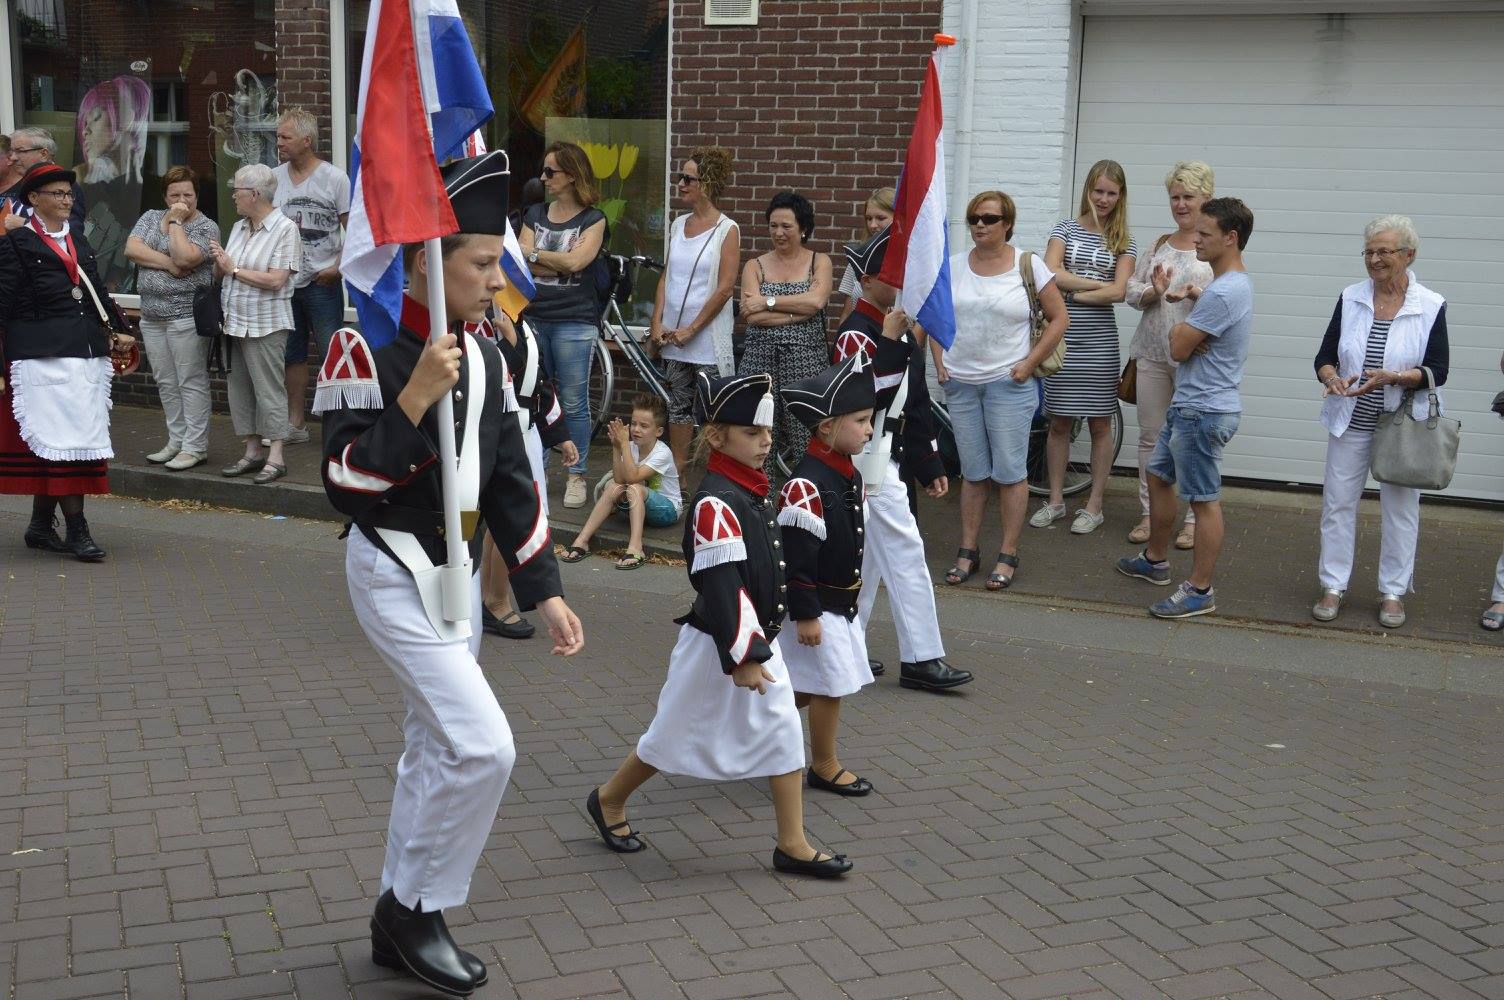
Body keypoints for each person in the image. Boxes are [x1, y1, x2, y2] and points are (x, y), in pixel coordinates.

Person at [316, 152, 583, 998]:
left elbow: (510, 479)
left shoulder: (490, 354)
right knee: (483, 746)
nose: (496, 278)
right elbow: (344, 483)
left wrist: (545, 589)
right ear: (433, 260)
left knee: (435, 746)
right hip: (394, 568)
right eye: (479, 263)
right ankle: (419, 909)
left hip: (460, 578)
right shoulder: (370, 345)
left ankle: (400, 913)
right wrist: (412, 399)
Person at [587, 371, 852, 880]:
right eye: (752, 432)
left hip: (748, 642)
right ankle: (609, 798)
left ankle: (791, 843)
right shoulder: (715, 501)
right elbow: (723, 585)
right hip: (719, 644)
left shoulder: (750, 489)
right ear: (716, 437)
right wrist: (747, 655)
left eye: (768, 433)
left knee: (780, 730)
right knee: (670, 734)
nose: (765, 442)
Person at [837, 227, 971, 693]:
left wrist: (929, 462)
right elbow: (863, 397)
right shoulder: (858, 330)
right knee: (907, 556)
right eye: (891, 274)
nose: (901, 283)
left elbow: (913, 405)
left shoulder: (892, 326)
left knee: (869, 562)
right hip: (867, 462)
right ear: (869, 280)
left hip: (888, 458)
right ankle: (921, 657)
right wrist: (892, 342)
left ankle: (846, 648)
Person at [1116, 197, 1255, 619]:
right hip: (1189, 405)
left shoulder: (1226, 291)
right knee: (1159, 476)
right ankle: (1155, 560)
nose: (1196, 240)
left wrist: (1183, 326)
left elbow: (1177, 348)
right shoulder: (1219, 287)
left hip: (1204, 411)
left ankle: (1199, 590)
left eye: (1206, 234)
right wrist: (1196, 306)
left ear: (1230, 239)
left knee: (1204, 500)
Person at [1311, 215, 1449, 629]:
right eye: (1369, 251)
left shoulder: (1430, 304)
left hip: (1401, 423)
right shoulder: (1351, 296)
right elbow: (1324, 357)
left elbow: (1437, 370)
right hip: (1351, 419)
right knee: (1337, 505)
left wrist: (1395, 377)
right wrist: (1332, 378)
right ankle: (1333, 585)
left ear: (1409, 255)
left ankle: (1393, 591)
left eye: (1384, 251)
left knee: (1401, 509)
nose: (1374, 259)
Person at [0, 163, 135, 561]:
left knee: (72, 443)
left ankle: (41, 526)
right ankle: (77, 531)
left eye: (68, 194)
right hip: (40, 356)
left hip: (85, 352)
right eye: (56, 194)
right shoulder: (15, 243)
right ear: (33, 200)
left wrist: (116, 326)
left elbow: (95, 290)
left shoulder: (77, 236)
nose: (65, 200)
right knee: (61, 443)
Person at [938, 191, 1068, 591]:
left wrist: (1028, 365)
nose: (980, 225)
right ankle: (968, 550)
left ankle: (1008, 554)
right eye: (974, 218)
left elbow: (1059, 318)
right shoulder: (954, 266)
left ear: (1007, 223)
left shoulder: (1027, 265)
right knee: (973, 474)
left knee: (1010, 473)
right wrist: (940, 363)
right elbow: (936, 314)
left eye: (990, 218)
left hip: (1008, 383)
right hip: (962, 385)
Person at [776, 353, 878, 797]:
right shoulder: (806, 483)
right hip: (817, 607)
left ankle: (747, 723)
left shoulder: (847, 473)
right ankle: (824, 764)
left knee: (804, 688)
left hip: (840, 604)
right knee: (828, 687)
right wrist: (807, 614)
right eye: (860, 421)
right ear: (826, 427)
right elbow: (797, 559)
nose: (869, 430)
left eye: (869, 420)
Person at [1035, 159, 1137, 535]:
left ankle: (1094, 505)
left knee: (1098, 423)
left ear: (1121, 195)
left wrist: (1072, 289)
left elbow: (1121, 291)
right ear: (1087, 190)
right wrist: (1098, 287)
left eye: (1112, 192)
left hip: (1099, 342)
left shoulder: (1124, 240)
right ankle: (1057, 501)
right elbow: (1049, 272)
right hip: (1061, 338)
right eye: (1099, 191)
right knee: (1059, 421)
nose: (1104, 199)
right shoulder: (1065, 228)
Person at [1125, 162, 1216, 549]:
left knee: (1192, 440)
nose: (1180, 205)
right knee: (1150, 437)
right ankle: (1150, 515)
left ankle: (1195, 520)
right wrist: (1152, 291)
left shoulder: (1213, 247)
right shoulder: (1159, 244)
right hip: (1151, 352)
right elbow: (1131, 291)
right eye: (1175, 197)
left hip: (1194, 358)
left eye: (1188, 197)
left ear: (1206, 199)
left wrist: (1197, 295)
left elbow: (1232, 299)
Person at [474, 308, 576, 640]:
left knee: (504, 521)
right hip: (500, 430)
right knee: (514, 517)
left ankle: (493, 597)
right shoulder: (482, 321)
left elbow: (537, 382)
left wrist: (560, 434)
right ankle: (497, 601)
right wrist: (511, 344)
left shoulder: (521, 321)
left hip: (525, 432)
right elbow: (488, 375)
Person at [518, 141, 608, 509]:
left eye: (550, 171)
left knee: (573, 401)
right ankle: (536, 471)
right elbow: (521, 262)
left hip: (574, 321)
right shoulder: (534, 213)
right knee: (534, 394)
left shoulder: (594, 218)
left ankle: (577, 475)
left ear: (572, 175)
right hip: (534, 317)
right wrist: (556, 260)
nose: (543, 178)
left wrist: (539, 256)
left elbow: (576, 265)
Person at [650, 146, 739, 479]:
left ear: (708, 183)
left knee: (713, 412)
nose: (681, 183)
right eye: (680, 177)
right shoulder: (678, 224)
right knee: (678, 410)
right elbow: (667, 276)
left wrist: (692, 329)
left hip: (705, 343)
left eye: (688, 178)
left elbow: (725, 288)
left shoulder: (727, 230)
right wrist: (657, 322)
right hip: (674, 338)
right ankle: (679, 477)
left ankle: (718, 477)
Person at [210, 162, 302, 485]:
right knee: (239, 390)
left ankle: (276, 456)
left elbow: (277, 280)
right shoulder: (238, 227)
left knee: (269, 389)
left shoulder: (285, 229)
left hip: (266, 323)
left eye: (236, 190)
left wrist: (233, 269)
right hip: (233, 322)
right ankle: (251, 452)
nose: (232, 196)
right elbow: (227, 271)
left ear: (255, 194)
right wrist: (220, 266)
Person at [125, 165, 220, 471]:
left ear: (196, 195)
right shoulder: (151, 217)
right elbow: (132, 248)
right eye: (175, 194)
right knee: (166, 380)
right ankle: (175, 441)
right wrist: (167, 264)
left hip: (185, 315)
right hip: (152, 315)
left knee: (189, 380)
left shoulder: (206, 227)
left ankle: (195, 447)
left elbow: (188, 257)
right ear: (165, 195)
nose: (181, 199)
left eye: (187, 194)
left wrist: (177, 221)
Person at [738, 191, 833, 477]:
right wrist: (798, 313)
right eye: (773, 225)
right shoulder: (754, 266)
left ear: (803, 229)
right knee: (757, 438)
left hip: (807, 368)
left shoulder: (820, 261)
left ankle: (809, 505)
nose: (778, 233)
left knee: (809, 439)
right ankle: (759, 508)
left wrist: (769, 302)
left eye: (786, 226)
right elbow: (750, 314)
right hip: (759, 365)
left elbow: (817, 302)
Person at [273, 108, 350, 446]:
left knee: (331, 350)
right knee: (292, 353)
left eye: (285, 137)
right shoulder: (273, 178)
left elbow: (355, 232)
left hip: (324, 282)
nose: (279, 143)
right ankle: (296, 423)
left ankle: (339, 425)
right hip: (287, 283)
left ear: (307, 140)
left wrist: (339, 268)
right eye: (278, 136)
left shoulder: (335, 179)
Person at [561, 394, 681, 569]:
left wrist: (624, 444)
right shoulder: (630, 447)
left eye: (644, 426)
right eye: (633, 423)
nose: (636, 429)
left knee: (634, 488)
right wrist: (617, 448)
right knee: (613, 485)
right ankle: (582, 540)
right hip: (639, 507)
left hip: (667, 510)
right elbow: (619, 479)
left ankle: (636, 548)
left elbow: (632, 478)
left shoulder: (662, 452)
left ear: (659, 431)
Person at [3, 129, 87, 231]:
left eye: (20, 151)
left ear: (43, 154)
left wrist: (26, 225)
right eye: (11, 152)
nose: (13, 158)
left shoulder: (66, 186)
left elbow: (74, 231)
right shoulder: (21, 182)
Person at [834, 187, 895, 325]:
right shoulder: (858, 258)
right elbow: (847, 312)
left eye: (880, 218)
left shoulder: (914, 260)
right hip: (860, 340)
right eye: (868, 218)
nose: (873, 225)